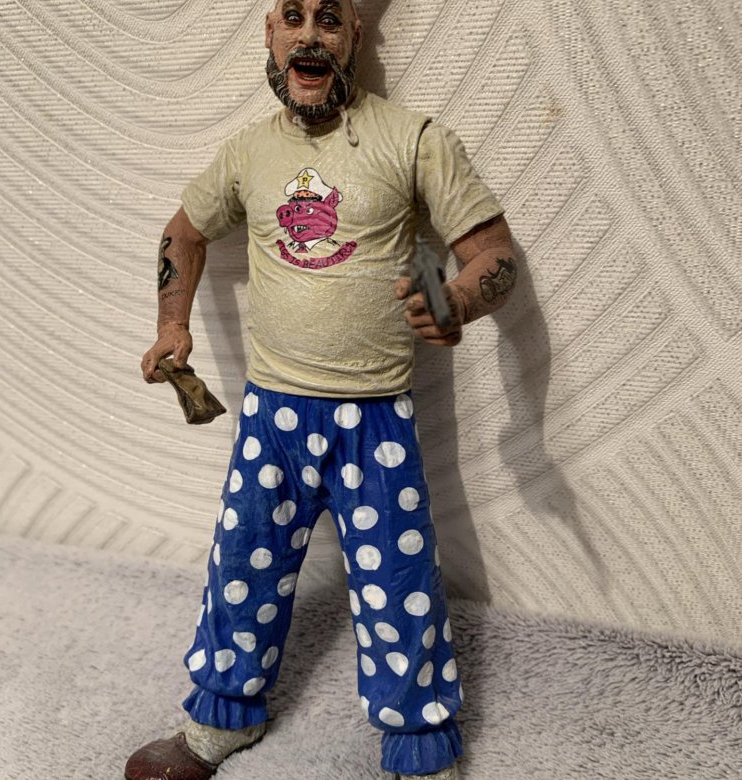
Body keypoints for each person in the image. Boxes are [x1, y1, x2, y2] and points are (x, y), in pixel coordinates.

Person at [127, 1, 517, 778]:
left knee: (399, 579)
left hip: (375, 418)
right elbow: (184, 231)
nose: (309, 34)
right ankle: (221, 714)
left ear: (354, 37)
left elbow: (494, 255)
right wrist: (172, 324)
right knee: (243, 563)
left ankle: (419, 743)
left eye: (329, 18)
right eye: (293, 16)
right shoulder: (248, 152)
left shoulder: (415, 140)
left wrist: (458, 300)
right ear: (270, 35)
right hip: (271, 412)